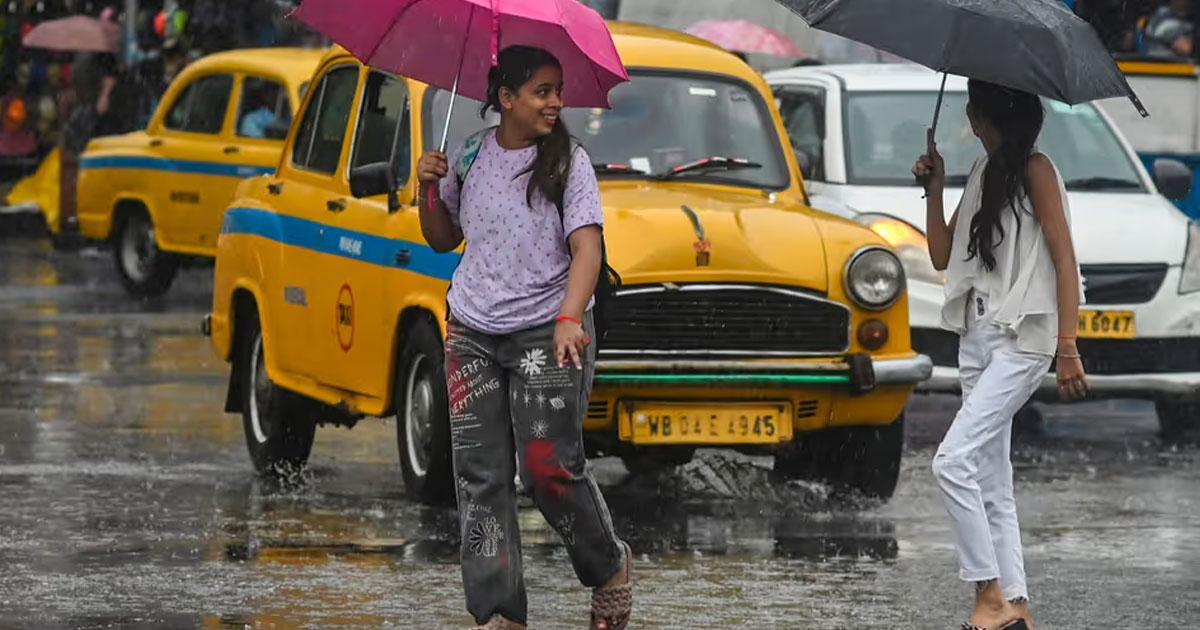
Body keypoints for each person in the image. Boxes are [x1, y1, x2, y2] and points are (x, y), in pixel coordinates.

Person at [415, 46, 632, 630]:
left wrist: (569, 317)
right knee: (479, 477)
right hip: (471, 331)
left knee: (547, 470)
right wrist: (426, 189)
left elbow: (588, 248)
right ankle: (498, 612)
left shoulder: (569, 163)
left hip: (545, 332)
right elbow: (441, 239)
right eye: (543, 91)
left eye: (558, 89)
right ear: (505, 99)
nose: (555, 102)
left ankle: (608, 565)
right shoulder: (468, 156)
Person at [913, 79, 1088, 630]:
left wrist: (1068, 345)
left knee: (951, 462)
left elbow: (1065, 263)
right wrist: (936, 188)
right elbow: (943, 255)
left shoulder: (1038, 171)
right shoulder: (986, 173)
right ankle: (1018, 605)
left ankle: (988, 595)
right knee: (991, 480)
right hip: (978, 335)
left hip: (1024, 338)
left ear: (979, 116)